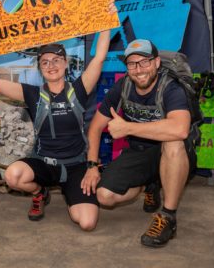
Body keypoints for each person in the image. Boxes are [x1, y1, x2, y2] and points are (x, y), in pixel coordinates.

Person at [0, 27, 112, 231]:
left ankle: (72, 194)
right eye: (45, 62)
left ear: (65, 63)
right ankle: (39, 193)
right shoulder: (32, 94)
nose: (51, 66)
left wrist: (105, 23)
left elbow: (99, 59)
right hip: (44, 163)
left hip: (76, 165)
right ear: (40, 68)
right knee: (13, 176)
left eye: (56, 60)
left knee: (87, 223)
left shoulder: (79, 89)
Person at [81, 39, 197, 247]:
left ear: (156, 63)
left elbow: (180, 129)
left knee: (172, 142)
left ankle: (168, 216)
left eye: (145, 62)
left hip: (175, 153)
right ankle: (150, 184)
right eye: (132, 64)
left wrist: (128, 128)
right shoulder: (123, 86)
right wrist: (91, 166)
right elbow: (95, 128)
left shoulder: (171, 87)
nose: (139, 69)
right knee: (104, 196)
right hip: (139, 151)